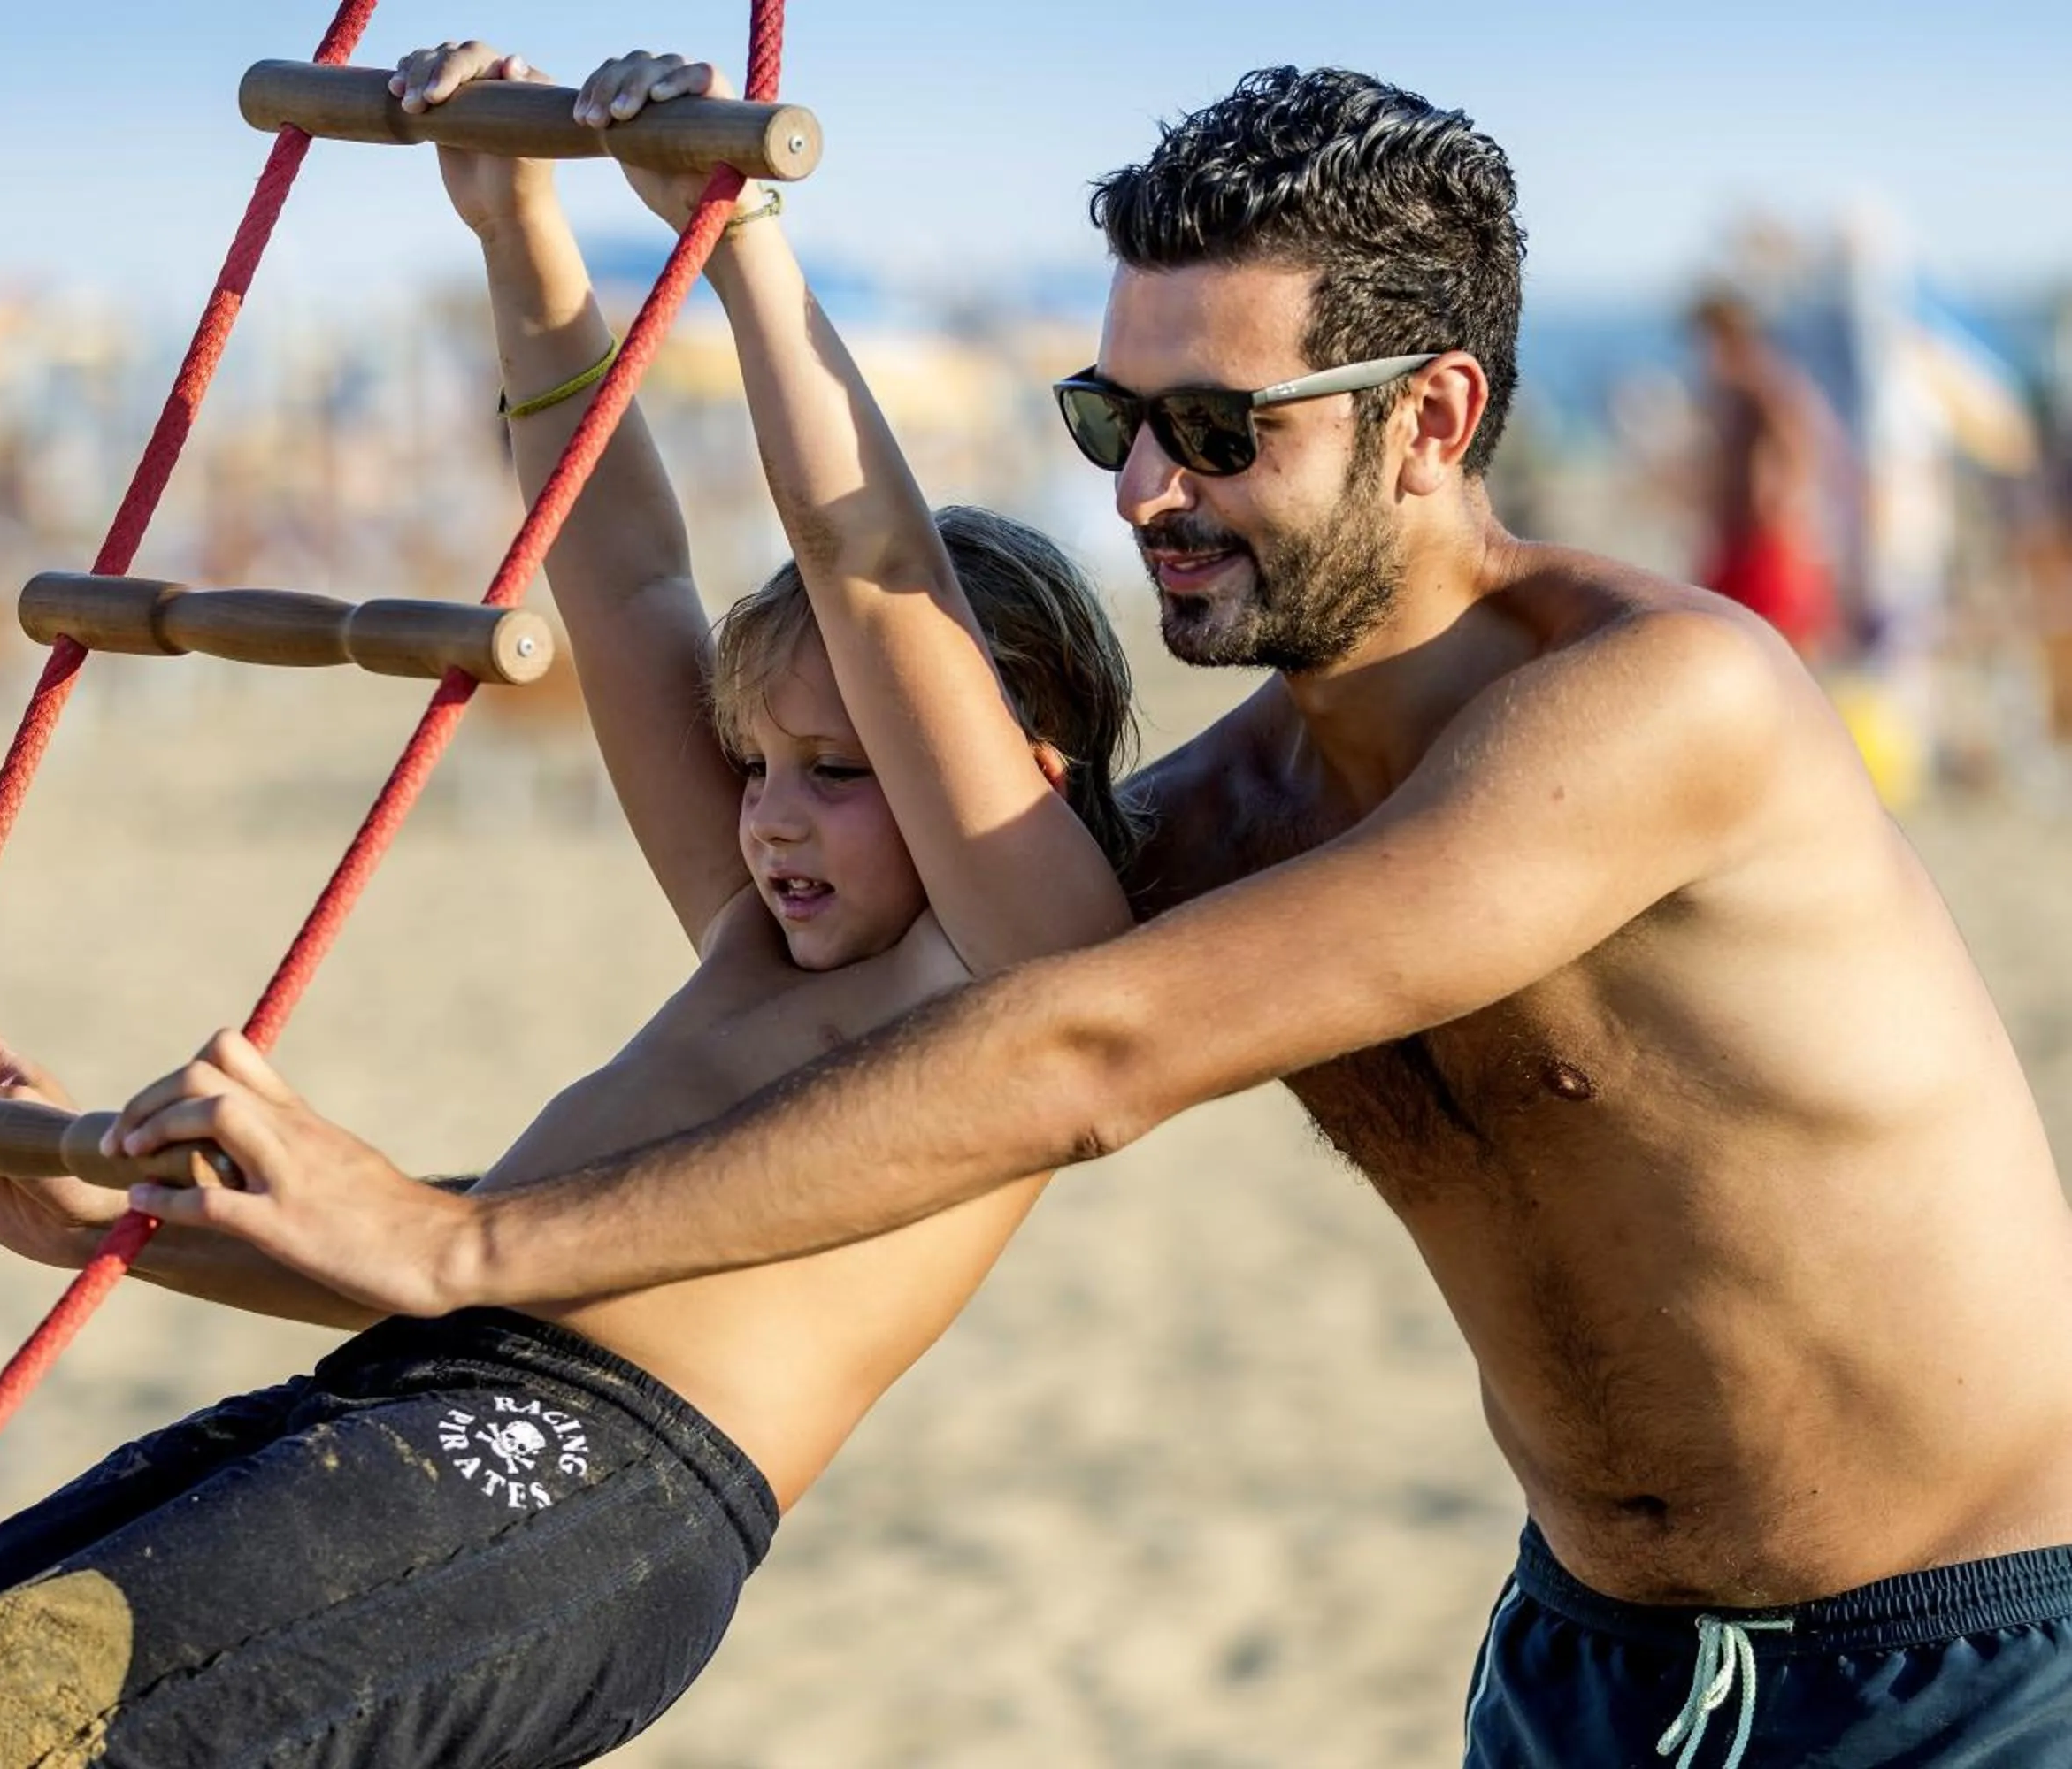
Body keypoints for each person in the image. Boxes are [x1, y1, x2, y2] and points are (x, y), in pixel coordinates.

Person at [158, 68, 2072, 1769]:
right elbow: (771, 733)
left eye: (1222, 427)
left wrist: (462, 1235)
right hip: (1592, 1667)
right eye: (1114, 416)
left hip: (1978, 1661)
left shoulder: (1660, 705)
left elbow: (1085, 1055)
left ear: (1433, 418)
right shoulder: (1227, 823)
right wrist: (561, 259)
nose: (1151, 485)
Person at [0, 43, 1138, 1769]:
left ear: (1018, 763)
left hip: (602, 1490)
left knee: (22, 1700)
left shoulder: (1014, 969)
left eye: (842, 769)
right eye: (758, 761)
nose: (769, 816)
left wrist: (745, 239)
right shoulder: (757, 920)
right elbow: (625, 572)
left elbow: (879, 574)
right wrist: (520, 234)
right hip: (412, 1400)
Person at [1690, 287, 1840, 657]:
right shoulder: (1742, 384)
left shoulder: (1760, 381)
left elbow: (1798, 445)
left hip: (1762, 538)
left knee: (1770, 645)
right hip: (1742, 534)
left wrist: (1779, 497)